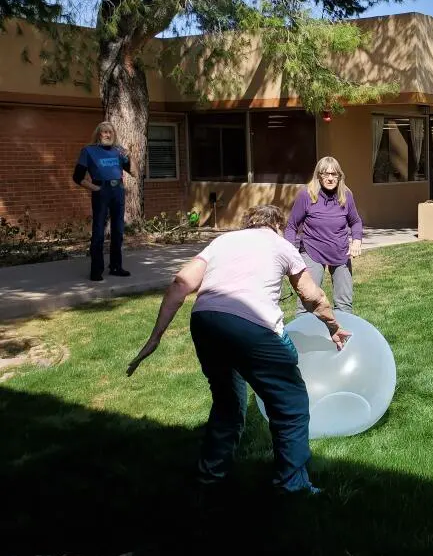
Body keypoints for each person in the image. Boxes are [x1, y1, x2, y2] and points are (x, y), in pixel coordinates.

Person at [126, 204, 351, 495]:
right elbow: (311, 294)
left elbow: (181, 283)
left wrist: (155, 337)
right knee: (291, 405)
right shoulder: (281, 245)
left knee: (227, 403)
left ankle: (210, 476)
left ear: (248, 223)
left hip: (206, 323)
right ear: (277, 225)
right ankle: (292, 484)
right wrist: (333, 327)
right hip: (253, 328)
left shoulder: (222, 242)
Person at [284, 157, 363, 313]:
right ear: (318, 175)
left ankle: (342, 335)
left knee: (344, 303)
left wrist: (356, 241)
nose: (330, 178)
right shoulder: (306, 195)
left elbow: (356, 221)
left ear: (339, 176)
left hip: (340, 251)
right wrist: (289, 252)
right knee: (308, 301)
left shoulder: (346, 195)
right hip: (312, 251)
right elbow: (291, 226)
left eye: (334, 174)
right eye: (326, 174)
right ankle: (303, 336)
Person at [73, 121, 133, 281]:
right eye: (104, 132)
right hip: (101, 191)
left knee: (118, 231)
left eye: (110, 132)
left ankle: (116, 266)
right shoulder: (89, 151)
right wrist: (96, 188)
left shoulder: (119, 151)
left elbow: (133, 172)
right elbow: (77, 177)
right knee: (99, 231)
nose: (107, 135)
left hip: (118, 191)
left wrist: (129, 157)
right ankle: (96, 270)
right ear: (98, 134)